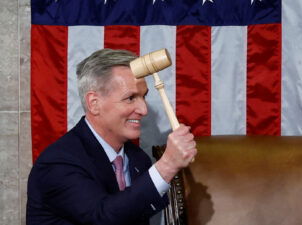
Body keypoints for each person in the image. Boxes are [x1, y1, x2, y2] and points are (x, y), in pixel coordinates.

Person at [26, 49, 197, 225]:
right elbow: (102, 218)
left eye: (143, 97)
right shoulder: (58, 162)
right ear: (94, 103)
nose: (144, 110)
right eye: (130, 98)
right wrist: (167, 166)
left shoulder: (138, 159)